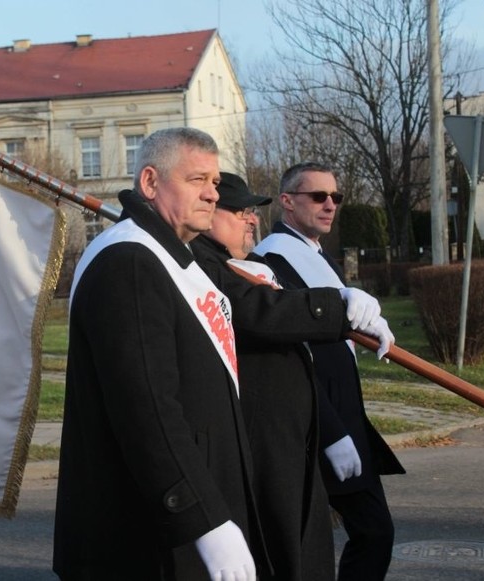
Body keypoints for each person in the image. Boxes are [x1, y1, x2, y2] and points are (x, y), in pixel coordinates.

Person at [53, 128, 269, 580]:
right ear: (150, 183)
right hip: (153, 538)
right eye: (197, 180)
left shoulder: (169, 256)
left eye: (214, 182)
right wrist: (203, 519)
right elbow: (147, 408)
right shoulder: (129, 262)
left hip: (181, 521)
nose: (212, 194)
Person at [189, 172, 393, 581]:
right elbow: (271, 317)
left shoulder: (259, 262)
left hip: (305, 428)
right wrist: (338, 305)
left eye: (336, 195)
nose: (252, 220)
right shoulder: (226, 266)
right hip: (272, 439)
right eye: (318, 196)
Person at [255, 162, 405, 581]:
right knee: (342, 539)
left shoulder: (317, 254)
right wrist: (331, 432)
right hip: (316, 423)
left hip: (345, 415)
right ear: (287, 201)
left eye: (335, 197)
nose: (330, 205)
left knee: (370, 533)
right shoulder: (272, 260)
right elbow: (291, 357)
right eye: (318, 196)